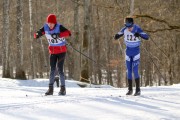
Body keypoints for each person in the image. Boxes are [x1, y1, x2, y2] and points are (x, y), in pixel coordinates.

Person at [34, 14, 71, 95]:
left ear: (55, 23)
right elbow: (36, 35)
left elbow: (68, 33)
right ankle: (50, 90)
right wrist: (37, 34)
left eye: (51, 23)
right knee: (52, 70)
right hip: (53, 52)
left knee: (60, 70)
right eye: (49, 23)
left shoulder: (59, 27)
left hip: (61, 51)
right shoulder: (45, 27)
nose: (50, 25)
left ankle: (63, 89)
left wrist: (58, 35)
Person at [114, 16, 149, 96]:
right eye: (127, 26)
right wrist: (116, 36)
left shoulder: (137, 28)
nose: (129, 28)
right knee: (129, 71)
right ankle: (130, 90)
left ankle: (138, 90)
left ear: (133, 24)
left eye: (130, 27)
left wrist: (139, 34)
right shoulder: (124, 29)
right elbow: (118, 34)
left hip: (136, 52)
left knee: (135, 70)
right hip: (128, 52)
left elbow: (147, 37)